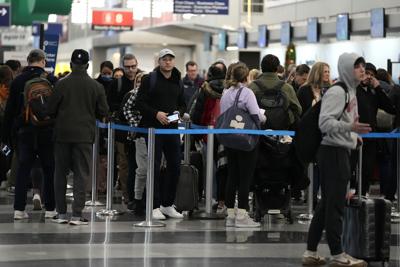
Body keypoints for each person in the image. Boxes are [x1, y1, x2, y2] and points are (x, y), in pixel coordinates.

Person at [303, 53, 371, 267]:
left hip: (339, 151)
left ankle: (310, 252)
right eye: (357, 66)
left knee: (326, 206)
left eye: (363, 66)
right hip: (332, 154)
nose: (362, 69)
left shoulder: (351, 91)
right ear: (346, 69)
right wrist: (350, 129)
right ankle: (338, 254)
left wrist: (353, 136)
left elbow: (342, 123)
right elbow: (325, 123)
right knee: (335, 206)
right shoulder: (337, 91)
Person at [47, 49, 109, 225]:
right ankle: (76, 214)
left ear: (70, 65)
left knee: (60, 173)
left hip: (62, 134)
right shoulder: (97, 87)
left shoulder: (60, 84)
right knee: (82, 174)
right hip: (84, 135)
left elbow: (50, 110)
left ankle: (60, 214)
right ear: (88, 66)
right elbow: (104, 111)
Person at [2, 49, 56, 220]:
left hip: (25, 131)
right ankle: (50, 209)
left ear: (28, 61)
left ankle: (19, 209)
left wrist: (7, 136)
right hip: (47, 131)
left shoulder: (18, 81)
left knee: (23, 169)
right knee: (49, 169)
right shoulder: (51, 80)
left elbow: (10, 110)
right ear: (43, 61)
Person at [136, 48, 186, 220]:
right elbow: (139, 103)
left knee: (175, 166)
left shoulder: (178, 80)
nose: (168, 62)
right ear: (159, 61)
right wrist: (156, 113)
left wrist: (175, 115)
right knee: (154, 168)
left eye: (170, 59)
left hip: (171, 129)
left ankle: (167, 204)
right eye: (164, 59)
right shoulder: (149, 79)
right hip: (153, 129)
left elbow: (182, 104)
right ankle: (153, 205)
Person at [220, 62, 266, 228]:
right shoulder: (247, 92)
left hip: (229, 138)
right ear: (246, 77)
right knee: (245, 176)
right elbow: (256, 115)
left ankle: (231, 214)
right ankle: (243, 216)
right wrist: (263, 115)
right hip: (245, 140)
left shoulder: (226, 92)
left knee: (232, 175)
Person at [353, 63, 396, 196]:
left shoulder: (373, 92)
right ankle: (353, 194)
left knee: (367, 169)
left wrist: (378, 88)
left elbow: (390, 108)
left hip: (371, 137)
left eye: (372, 75)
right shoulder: (354, 90)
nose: (369, 77)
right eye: (366, 73)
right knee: (354, 169)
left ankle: (363, 194)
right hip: (354, 136)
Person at [107, 54, 144, 204]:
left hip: (141, 129)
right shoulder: (118, 83)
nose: (130, 70)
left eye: (133, 66)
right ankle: (127, 194)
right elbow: (110, 103)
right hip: (123, 130)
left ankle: (139, 195)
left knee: (140, 164)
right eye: (127, 67)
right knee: (125, 163)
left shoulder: (145, 79)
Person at [249, 54, 302, 130]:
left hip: (257, 131)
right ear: (277, 68)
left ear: (261, 67)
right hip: (281, 132)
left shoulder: (252, 87)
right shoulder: (286, 87)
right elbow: (298, 110)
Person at [0, 65, 13, 189]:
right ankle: (6, 175)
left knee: (4, 150)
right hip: (8, 126)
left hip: (3, 126)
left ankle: (3, 177)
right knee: (6, 151)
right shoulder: (12, 88)